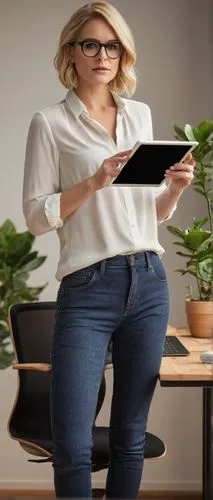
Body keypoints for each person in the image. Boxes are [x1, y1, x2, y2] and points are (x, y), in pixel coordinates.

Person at [22, 1, 195, 498]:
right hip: (88, 288)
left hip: (148, 282)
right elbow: (36, 217)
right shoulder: (49, 123)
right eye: (91, 44)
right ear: (71, 52)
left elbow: (149, 213)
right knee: (73, 443)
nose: (103, 54)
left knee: (130, 439)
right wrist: (94, 181)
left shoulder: (139, 115)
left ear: (123, 53)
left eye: (112, 45)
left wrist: (177, 188)